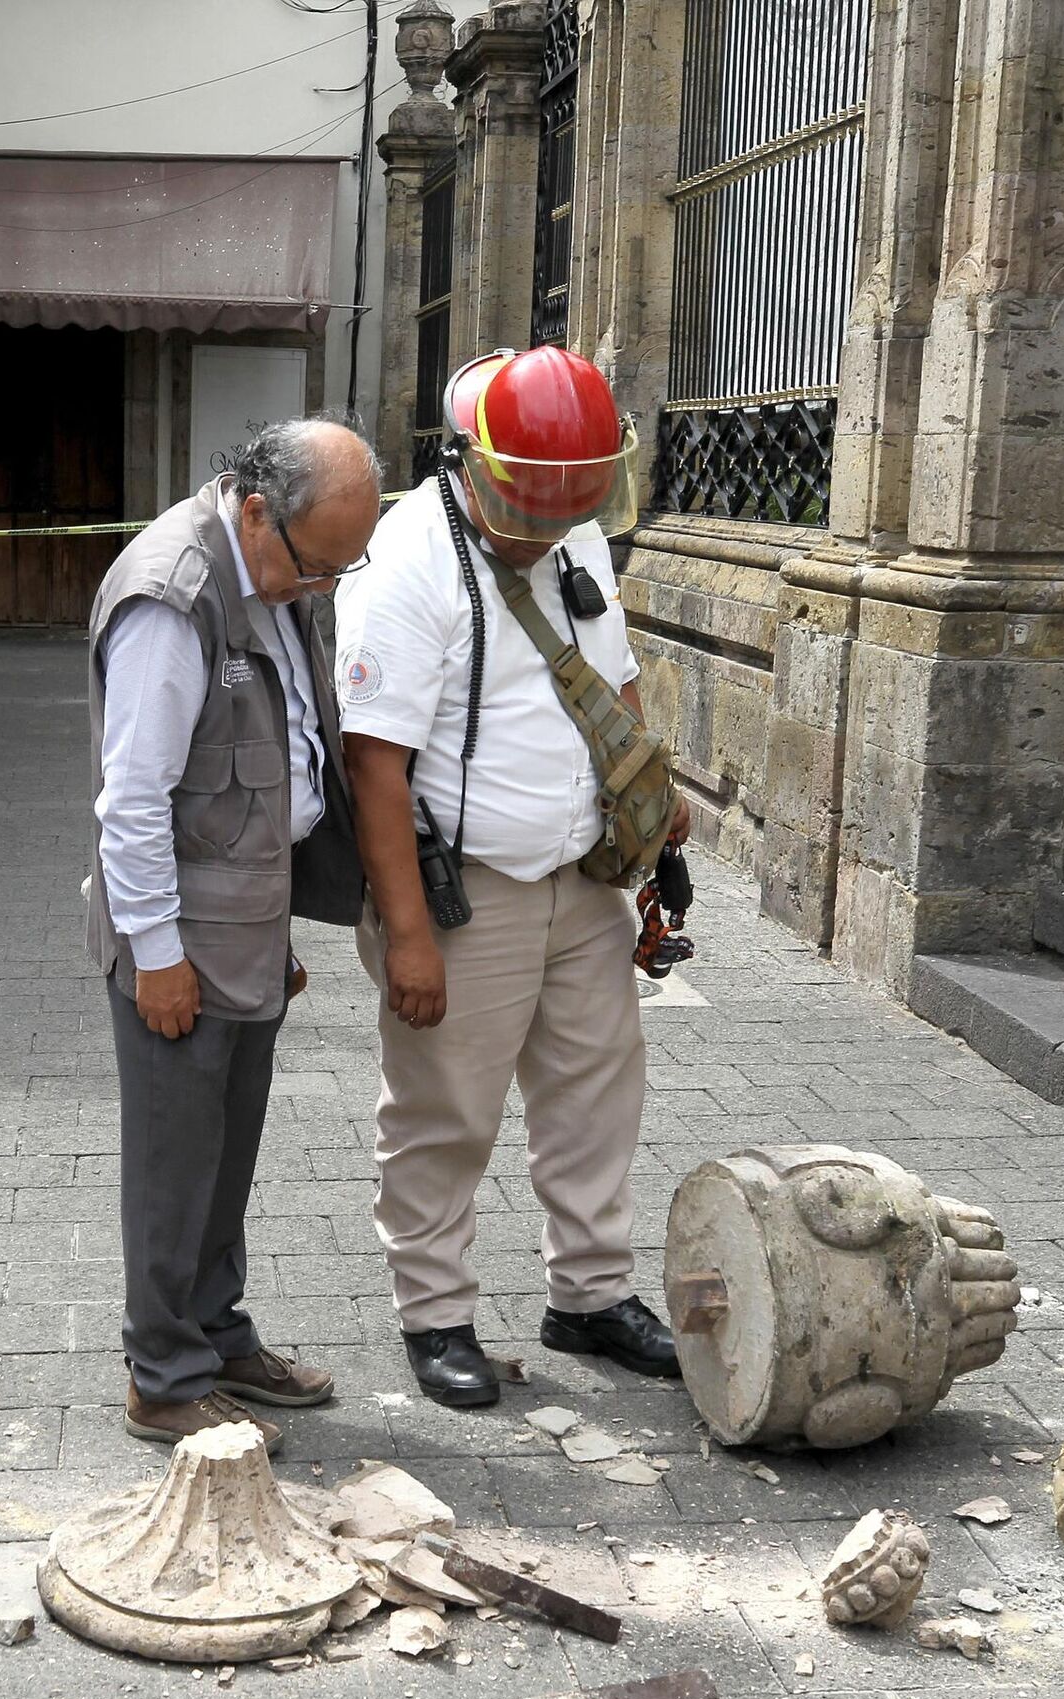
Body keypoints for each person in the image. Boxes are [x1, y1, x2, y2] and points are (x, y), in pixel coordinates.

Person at [334, 346, 689, 1408]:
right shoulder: (407, 560)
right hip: (464, 891)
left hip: (580, 877)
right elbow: (374, 764)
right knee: (447, 1109)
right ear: (475, 465)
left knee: (595, 1093)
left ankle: (588, 1295)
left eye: (570, 500)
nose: (546, 524)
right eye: (528, 502)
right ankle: (435, 1312)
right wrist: (406, 936)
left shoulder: (572, 520)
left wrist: (646, 819)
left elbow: (612, 684)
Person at [89, 417, 375, 1451]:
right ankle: (163, 1376)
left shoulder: (276, 576)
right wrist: (158, 957)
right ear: (256, 510)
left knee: (226, 1155)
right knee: (175, 1164)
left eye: (344, 568)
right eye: (317, 566)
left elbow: (280, 763)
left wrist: (275, 924)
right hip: (180, 945)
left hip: (244, 924)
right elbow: (132, 805)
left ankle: (216, 1332)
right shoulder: (174, 598)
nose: (324, 588)